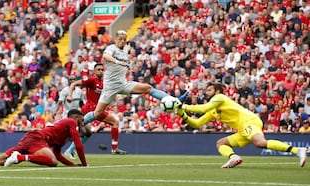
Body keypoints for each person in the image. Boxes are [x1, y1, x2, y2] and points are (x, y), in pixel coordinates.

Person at [174, 82, 307, 168]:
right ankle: (234, 157)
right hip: (243, 129)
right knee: (221, 143)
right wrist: (182, 114)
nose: (206, 92)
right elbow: (197, 123)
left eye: (209, 90)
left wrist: (183, 106)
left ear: (217, 91)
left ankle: (297, 151)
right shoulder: (213, 110)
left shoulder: (220, 98)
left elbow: (202, 108)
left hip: (249, 121)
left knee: (260, 143)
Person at [81, 30, 170, 154]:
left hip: (123, 84)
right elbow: (105, 57)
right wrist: (118, 62)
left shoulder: (125, 49)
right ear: (116, 39)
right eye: (121, 39)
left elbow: (126, 50)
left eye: (124, 39)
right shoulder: (111, 48)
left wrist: (127, 52)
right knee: (97, 114)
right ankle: (75, 125)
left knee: (147, 88)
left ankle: (171, 99)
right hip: (110, 87)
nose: (123, 41)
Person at [0, 109, 88, 167]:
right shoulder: (71, 122)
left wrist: (71, 165)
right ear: (76, 118)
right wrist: (84, 164)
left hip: (32, 138)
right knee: (52, 162)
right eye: (81, 120)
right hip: (37, 138)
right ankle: (19, 157)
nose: (82, 123)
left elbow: (57, 153)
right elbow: (78, 145)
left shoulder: (64, 132)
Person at [64, 63, 107, 157]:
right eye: (98, 69)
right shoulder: (91, 79)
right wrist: (69, 95)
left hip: (96, 109)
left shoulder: (103, 82)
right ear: (94, 71)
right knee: (82, 131)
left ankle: (71, 149)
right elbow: (75, 83)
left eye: (102, 69)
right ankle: (69, 149)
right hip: (89, 109)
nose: (100, 71)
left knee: (87, 133)